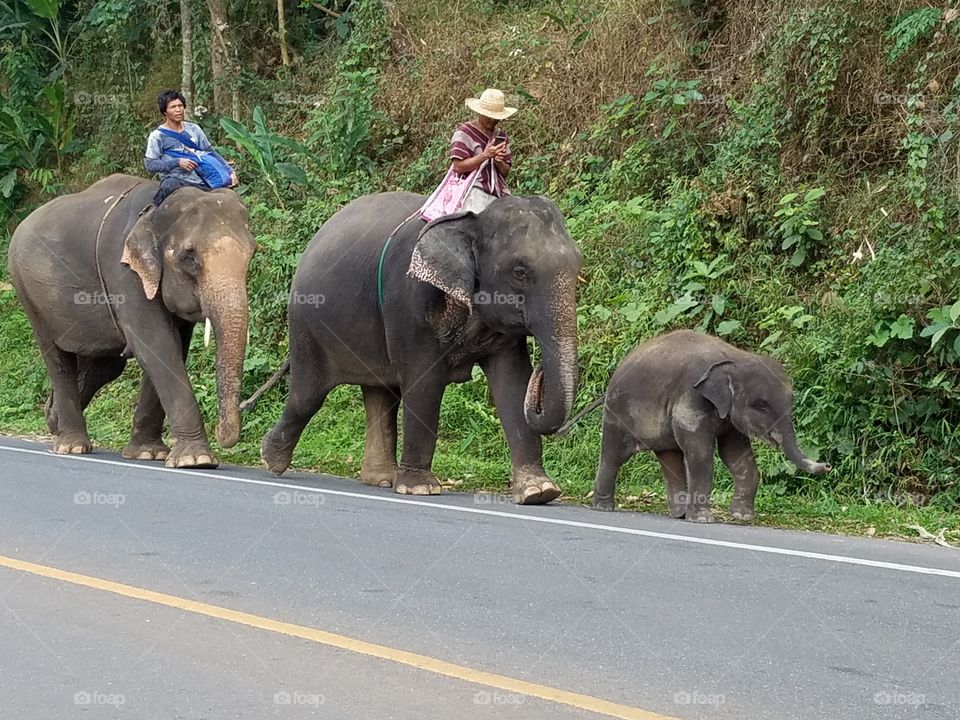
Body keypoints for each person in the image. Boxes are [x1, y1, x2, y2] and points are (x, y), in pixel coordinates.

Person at [143, 90, 238, 208]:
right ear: (165, 112)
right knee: (168, 186)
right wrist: (177, 162)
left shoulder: (194, 129)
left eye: (180, 106)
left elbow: (210, 152)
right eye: (173, 107)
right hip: (177, 180)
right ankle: (151, 215)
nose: (178, 110)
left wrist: (230, 172)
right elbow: (150, 165)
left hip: (202, 180)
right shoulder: (157, 136)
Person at [449, 88, 517, 213]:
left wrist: (499, 161)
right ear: (480, 113)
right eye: (488, 117)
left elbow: (505, 172)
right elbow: (458, 167)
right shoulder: (464, 133)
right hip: (473, 189)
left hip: (499, 192)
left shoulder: (501, 136)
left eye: (495, 118)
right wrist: (484, 156)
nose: (492, 121)